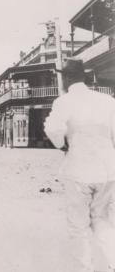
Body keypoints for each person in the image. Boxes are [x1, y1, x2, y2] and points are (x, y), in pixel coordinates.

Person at [44, 58, 115, 272]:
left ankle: (85, 269)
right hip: (107, 170)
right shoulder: (107, 100)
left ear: (66, 78)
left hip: (78, 170)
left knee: (78, 226)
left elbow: (53, 129)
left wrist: (63, 144)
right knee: (102, 220)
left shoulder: (64, 101)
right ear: (83, 77)